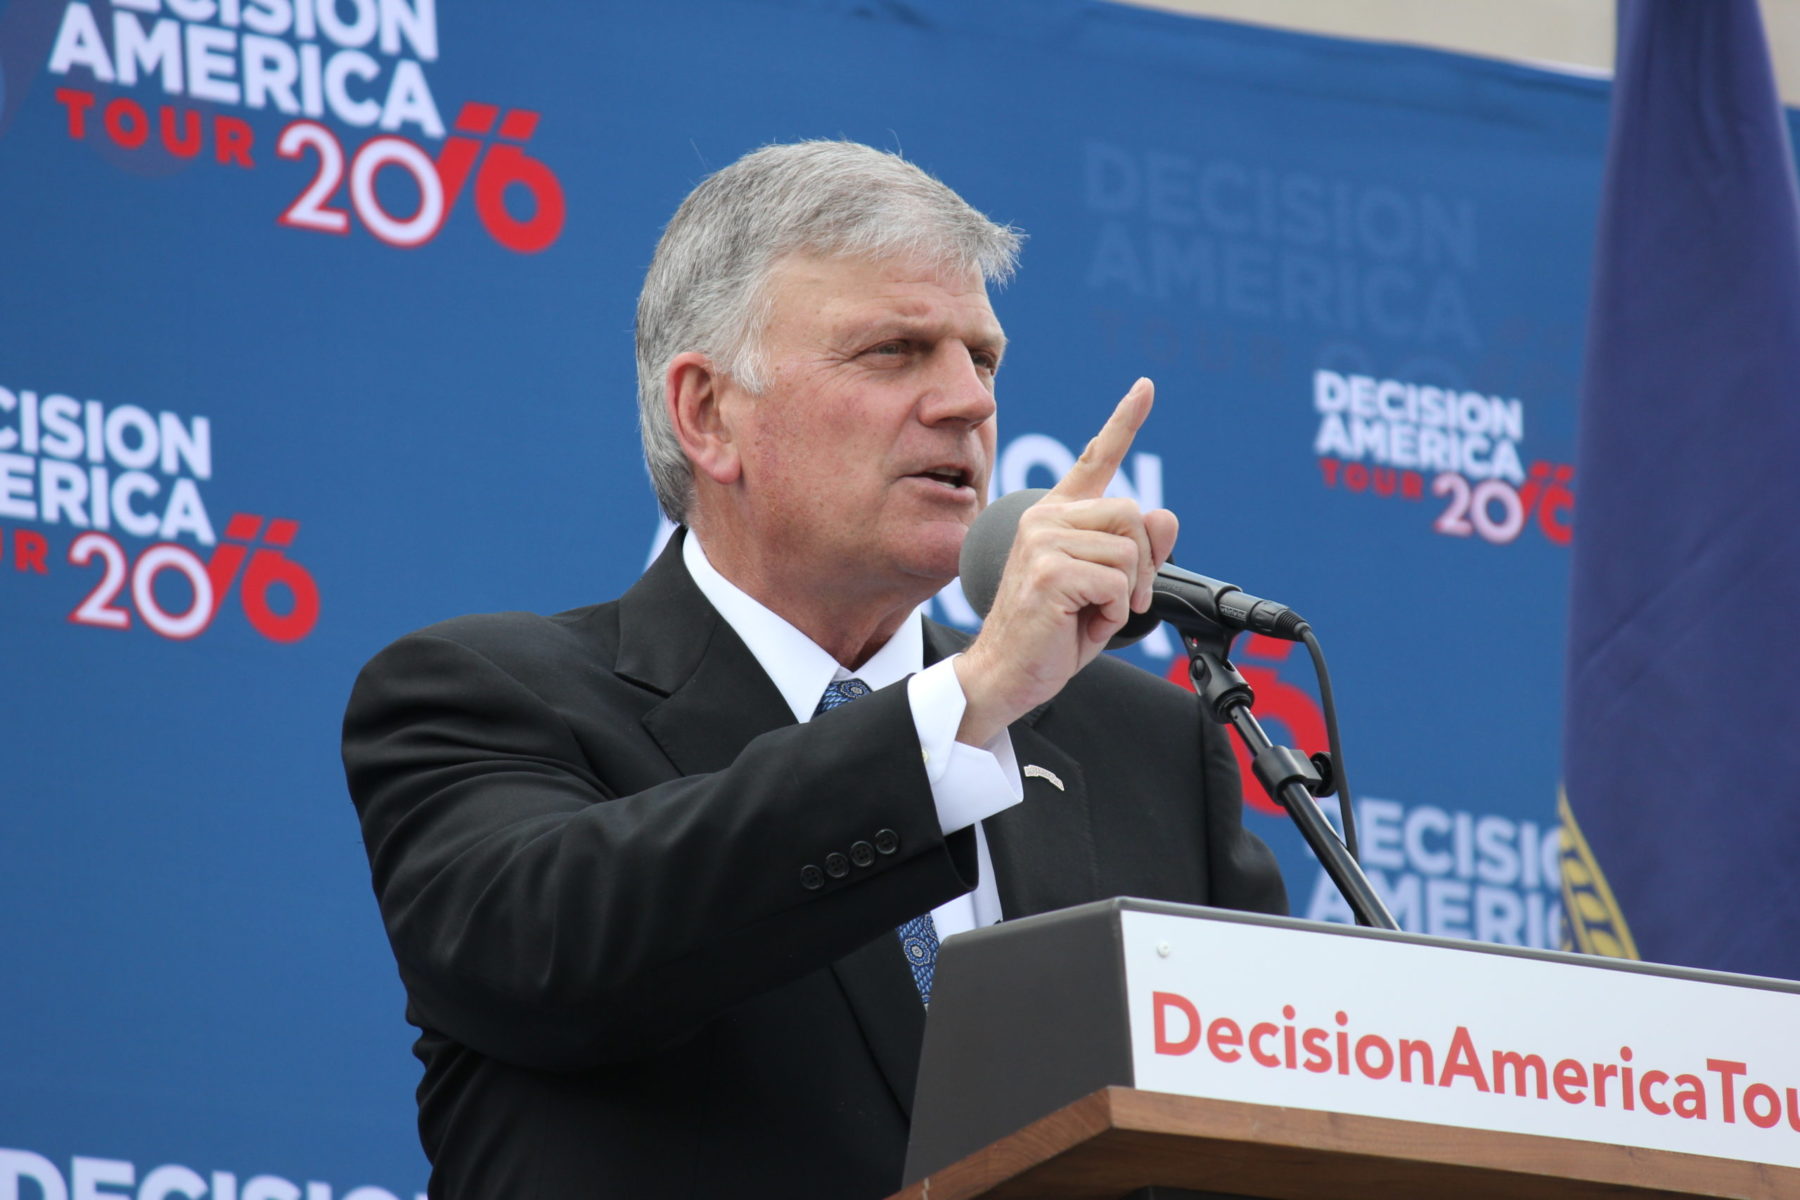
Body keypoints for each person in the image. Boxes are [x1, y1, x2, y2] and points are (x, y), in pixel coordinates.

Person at [342, 140, 1286, 1200]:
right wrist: (968, 704)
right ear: (708, 414)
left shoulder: (1144, 748)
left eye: (982, 359)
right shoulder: (482, 697)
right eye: (894, 351)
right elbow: (553, 955)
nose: (968, 402)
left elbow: (1264, 1136)